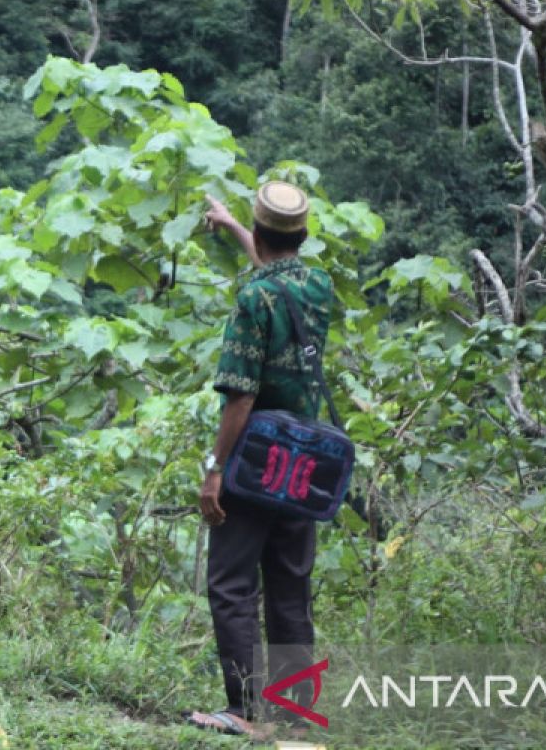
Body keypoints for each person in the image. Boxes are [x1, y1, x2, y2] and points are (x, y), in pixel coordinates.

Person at [186, 182, 333, 737]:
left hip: (255, 460)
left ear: (264, 234)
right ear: (303, 234)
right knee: (290, 584)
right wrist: (231, 225)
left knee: (230, 583)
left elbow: (241, 397)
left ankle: (245, 712)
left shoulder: (253, 300)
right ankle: (295, 716)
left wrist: (215, 468)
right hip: (306, 460)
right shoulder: (318, 284)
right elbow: (276, 269)